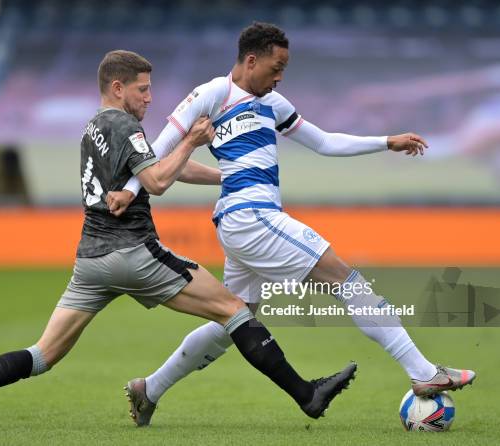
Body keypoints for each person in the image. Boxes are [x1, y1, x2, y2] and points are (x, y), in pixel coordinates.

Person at [0, 50, 357, 428]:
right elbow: (157, 181)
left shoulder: (93, 128)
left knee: (43, 355)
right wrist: (193, 139)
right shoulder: (125, 125)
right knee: (235, 310)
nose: (149, 98)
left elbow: (158, 171)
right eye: (142, 89)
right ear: (118, 88)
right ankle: (306, 395)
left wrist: (228, 176)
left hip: (91, 261)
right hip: (133, 251)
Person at [107, 23, 476, 426]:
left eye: (285, 68)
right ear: (251, 60)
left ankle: (149, 389)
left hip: (244, 223)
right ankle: (423, 373)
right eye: (276, 66)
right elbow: (157, 149)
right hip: (251, 217)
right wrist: (128, 190)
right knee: (345, 279)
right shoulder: (212, 94)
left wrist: (385, 140)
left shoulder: (274, 102)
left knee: (233, 317)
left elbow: (324, 142)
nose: (280, 76)